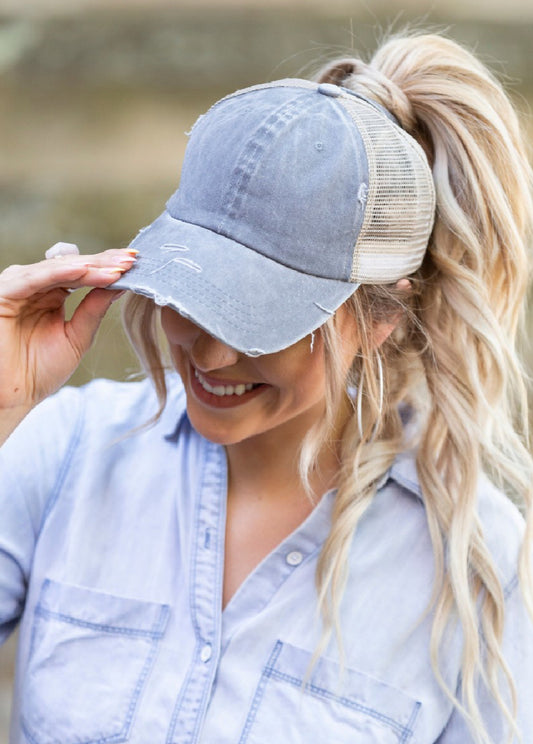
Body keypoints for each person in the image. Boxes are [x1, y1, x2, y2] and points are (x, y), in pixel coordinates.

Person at [0, 30, 532, 744]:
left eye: (261, 319)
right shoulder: (62, 452)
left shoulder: (481, 574)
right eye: (190, 293)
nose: (212, 352)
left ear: (379, 316)